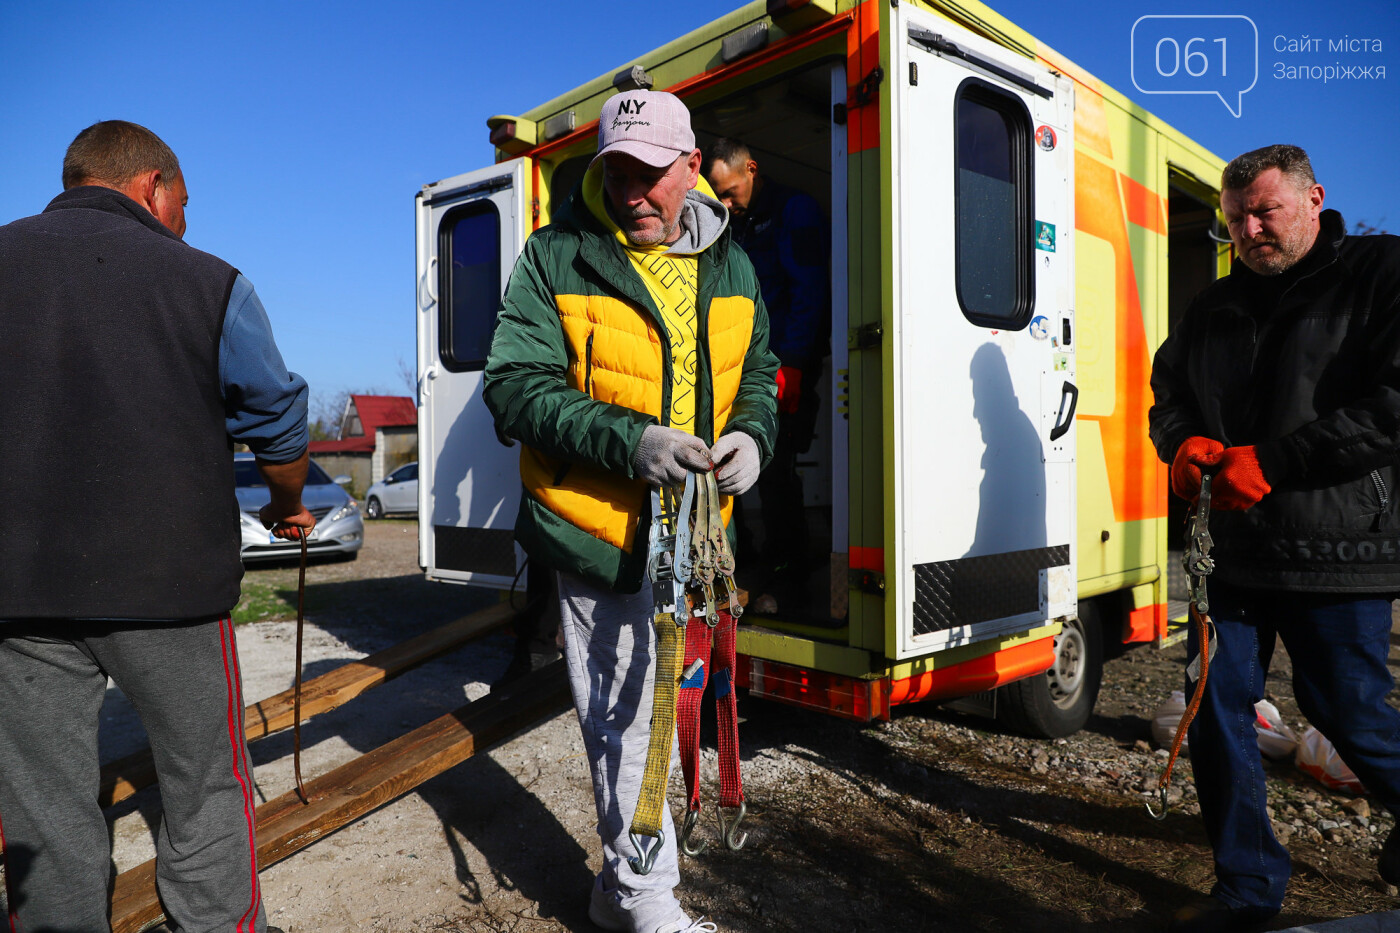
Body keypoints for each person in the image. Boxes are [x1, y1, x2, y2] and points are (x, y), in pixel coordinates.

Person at [0, 121, 312, 933]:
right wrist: (285, 505)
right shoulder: (207, 282)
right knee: (204, 782)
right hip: (168, 590)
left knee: (42, 803)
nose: (184, 223)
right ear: (151, 185)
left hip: (17, 593)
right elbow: (278, 418)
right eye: (183, 204)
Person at [483, 90, 778, 933]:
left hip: (691, 545)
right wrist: (632, 442)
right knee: (624, 719)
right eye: (618, 174)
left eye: (653, 175)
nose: (633, 194)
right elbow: (513, 389)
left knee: (662, 704)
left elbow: (757, 367)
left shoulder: (731, 261)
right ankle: (647, 900)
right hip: (598, 535)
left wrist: (753, 435)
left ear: (693, 167)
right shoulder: (555, 256)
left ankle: (618, 894)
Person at [1149, 144, 1400, 932]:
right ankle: (1247, 889)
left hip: (1340, 544)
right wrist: (1183, 442)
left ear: (1314, 197)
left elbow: (1394, 404)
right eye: (1233, 220)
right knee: (1216, 707)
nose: (1248, 229)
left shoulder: (1378, 273)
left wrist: (1281, 459)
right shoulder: (1214, 305)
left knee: (1347, 706)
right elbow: (1169, 392)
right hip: (1234, 551)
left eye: (1264, 211)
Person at [703, 138, 829, 614]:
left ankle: (787, 578)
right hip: (740, 368)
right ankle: (743, 558)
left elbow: (809, 290)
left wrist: (794, 362)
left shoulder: (794, 211)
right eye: (719, 197)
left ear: (751, 169)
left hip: (784, 365)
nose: (726, 204)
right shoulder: (733, 224)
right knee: (725, 465)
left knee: (777, 470)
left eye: (731, 192)